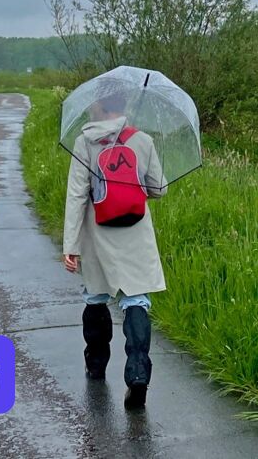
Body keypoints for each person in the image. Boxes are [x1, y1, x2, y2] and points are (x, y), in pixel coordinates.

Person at [62, 94, 167, 409]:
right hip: (135, 231)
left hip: (98, 231)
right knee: (135, 298)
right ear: (123, 108)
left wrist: (71, 244)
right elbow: (159, 188)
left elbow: (76, 194)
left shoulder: (86, 142)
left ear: (99, 108)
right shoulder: (143, 140)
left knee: (96, 295)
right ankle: (137, 375)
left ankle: (96, 364)